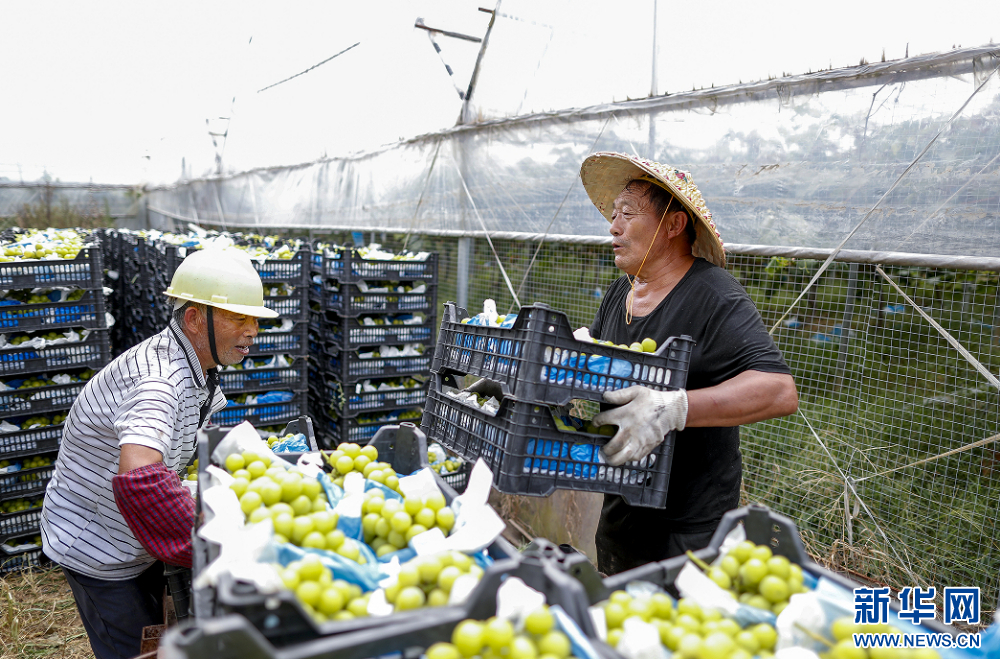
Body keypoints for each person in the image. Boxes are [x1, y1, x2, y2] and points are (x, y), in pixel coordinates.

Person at [40, 247, 279, 659]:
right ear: (193, 319)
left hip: (125, 537)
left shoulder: (189, 366)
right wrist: (208, 547)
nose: (253, 330)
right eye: (239, 318)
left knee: (157, 633)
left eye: (254, 318)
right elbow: (141, 475)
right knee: (131, 650)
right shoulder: (159, 381)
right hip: (99, 549)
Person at [579, 152, 799, 575]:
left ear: (674, 225)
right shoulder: (617, 295)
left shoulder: (713, 296)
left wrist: (673, 408)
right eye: (613, 214)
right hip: (621, 517)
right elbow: (597, 373)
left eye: (628, 213)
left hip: (689, 531)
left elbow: (777, 390)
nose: (614, 226)